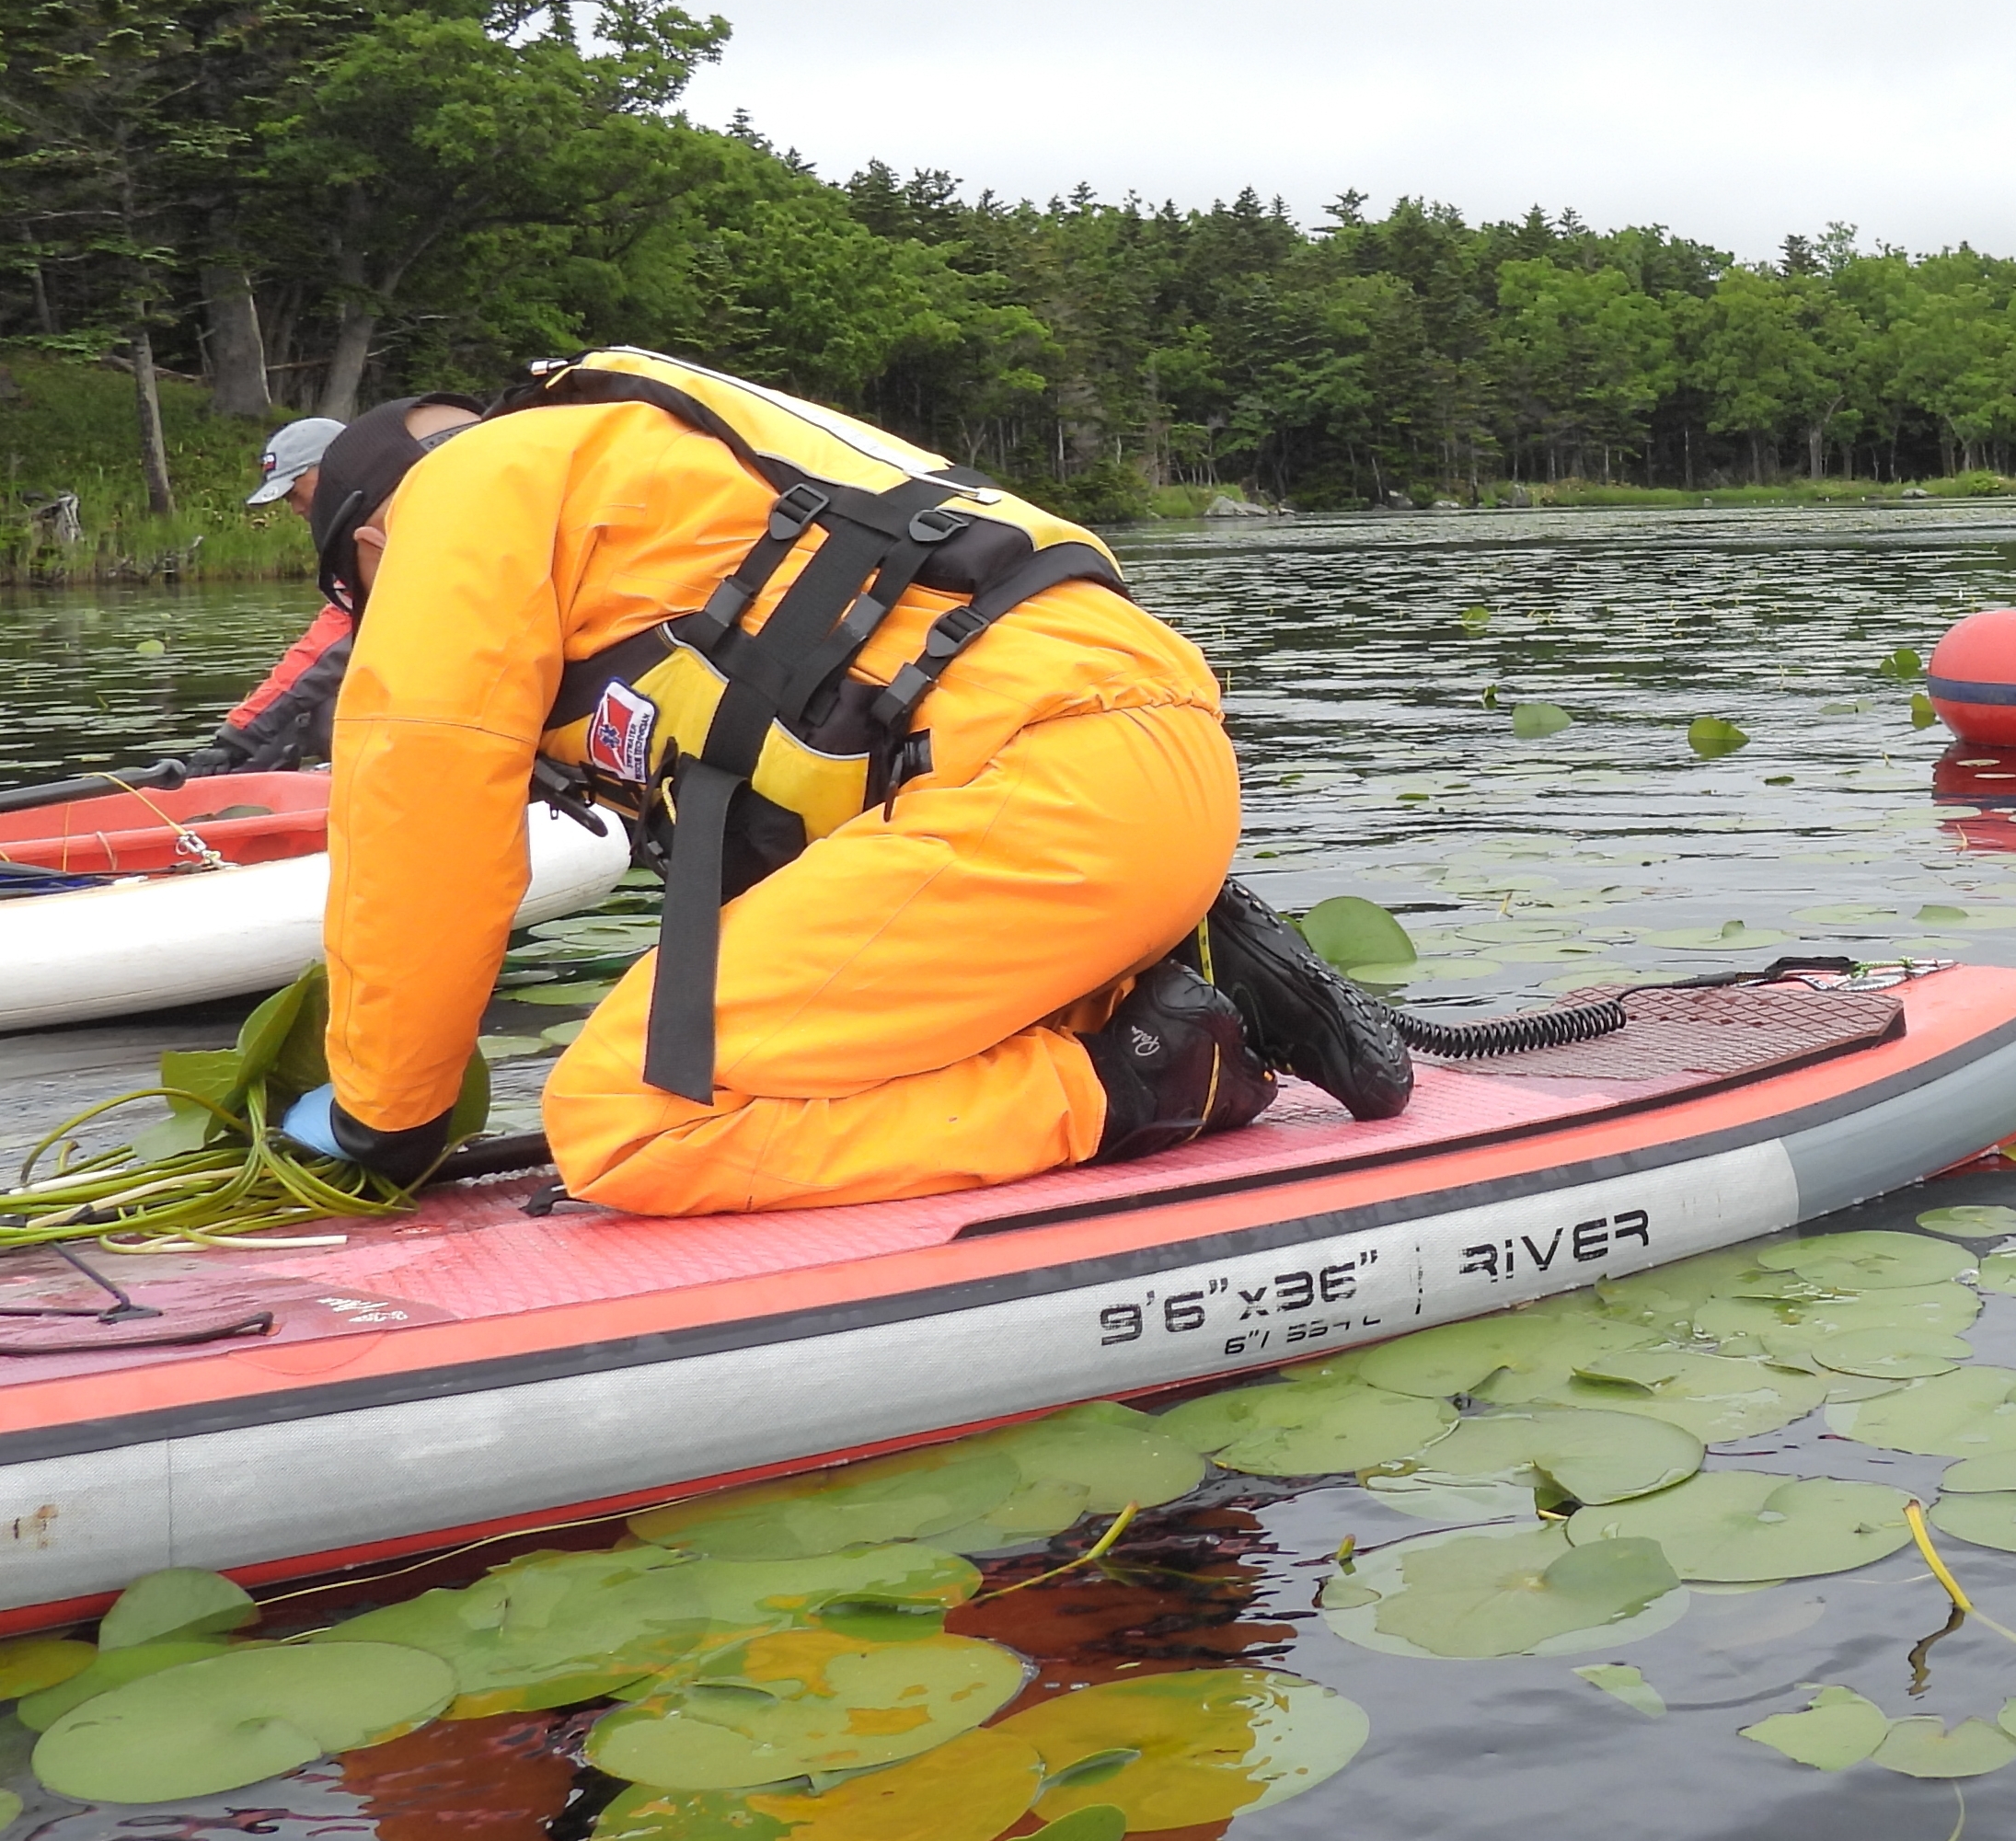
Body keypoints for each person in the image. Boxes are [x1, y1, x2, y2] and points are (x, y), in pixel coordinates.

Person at [273, 347, 1407, 1215]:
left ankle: (1146, 1075)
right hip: (1146, 758)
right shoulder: (641, 475)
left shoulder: (453, 497)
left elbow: (419, 818)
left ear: (373, 539)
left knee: (623, 1118)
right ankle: (1173, 969)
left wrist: (391, 1114)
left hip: (1045, 781)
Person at [186, 406, 470, 773]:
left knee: (321, 703)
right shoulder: (415, 500)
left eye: (293, 492)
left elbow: (329, 647)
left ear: (332, 468)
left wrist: (239, 736)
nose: (295, 508)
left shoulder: (391, 525)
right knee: (303, 707)